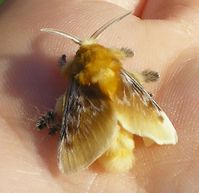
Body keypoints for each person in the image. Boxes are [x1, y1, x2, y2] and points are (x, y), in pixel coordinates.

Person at [0, 1, 198, 192]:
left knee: (64, 105)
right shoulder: (116, 68)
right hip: (123, 133)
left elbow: (64, 85)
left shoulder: (75, 76)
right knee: (133, 92)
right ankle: (146, 128)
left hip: (98, 136)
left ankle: (86, 146)